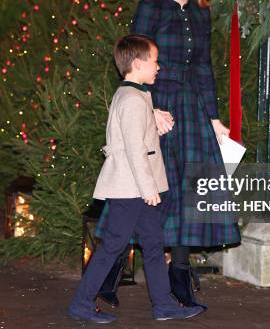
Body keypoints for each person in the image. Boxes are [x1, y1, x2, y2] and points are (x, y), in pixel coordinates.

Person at [115, 0, 240, 309]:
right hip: (156, 106)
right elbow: (132, 62)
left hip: (190, 109)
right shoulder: (150, 9)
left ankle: (180, 276)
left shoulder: (201, 14)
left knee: (190, 193)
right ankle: (111, 272)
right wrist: (148, 108)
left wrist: (214, 119)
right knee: (149, 189)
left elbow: (203, 69)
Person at [68, 35, 204, 324]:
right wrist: (148, 189)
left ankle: (163, 304)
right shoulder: (131, 99)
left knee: (154, 244)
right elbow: (133, 149)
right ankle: (81, 302)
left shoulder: (137, 94)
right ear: (139, 64)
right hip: (131, 189)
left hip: (137, 189)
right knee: (113, 246)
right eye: (155, 61)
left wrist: (154, 126)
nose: (158, 67)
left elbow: (139, 138)